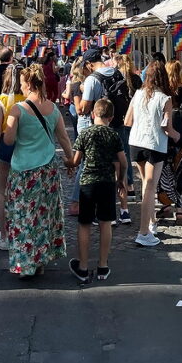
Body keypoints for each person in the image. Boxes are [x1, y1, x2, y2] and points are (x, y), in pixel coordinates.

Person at [2, 66, 76, 277]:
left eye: (22, 83)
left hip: (23, 171)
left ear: (28, 84)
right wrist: (70, 161)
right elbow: (63, 138)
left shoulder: (17, 109)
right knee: (43, 216)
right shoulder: (52, 109)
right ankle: (40, 258)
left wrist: (10, 126)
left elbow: (8, 140)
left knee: (22, 216)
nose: (21, 87)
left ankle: (25, 263)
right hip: (47, 170)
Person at [70, 98, 127, 282]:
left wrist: (67, 164)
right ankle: (103, 266)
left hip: (88, 183)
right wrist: (120, 181)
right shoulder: (113, 135)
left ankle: (83, 267)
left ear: (93, 114)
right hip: (107, 183)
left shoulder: (85, 133)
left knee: (84, 224)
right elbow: (123, 162)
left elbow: (76, 161)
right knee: (105, 223)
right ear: (110, 117)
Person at [125, 60, 179, 247]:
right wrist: (177, 135)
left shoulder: (138, 94)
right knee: (149, 187)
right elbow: (166, 127)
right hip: (154, 144)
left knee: (146, 186)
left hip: (136, 142)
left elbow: (127, 120)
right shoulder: (165, 99)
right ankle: (143, 232)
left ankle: (152, 221)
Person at [157, 60, 182, 225]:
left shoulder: (163, 93)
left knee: (165, 172)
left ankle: (166, 206)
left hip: (166, 138)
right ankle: (180, 212)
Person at [68, 48, 108, 216]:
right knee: (85, 163)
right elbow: (81, 110)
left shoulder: (91, 81)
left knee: (89, 163)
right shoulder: (80, 85)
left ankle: (88, 200)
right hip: (87, 123)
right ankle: (77, 201)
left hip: (93, 122)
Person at [0, 64, 25, 251]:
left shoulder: (1, 100)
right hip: (24, 145)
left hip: (5, 145)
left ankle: (4, 236)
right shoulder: (27, 99)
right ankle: (23, 232)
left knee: (3, 191)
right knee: (24, 191)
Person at [108, 53, 142, 220]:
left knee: (119, 159)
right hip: (134, 122)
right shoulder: (136, 80)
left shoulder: (115, 79)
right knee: (127, 156)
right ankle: (130, 188)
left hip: (119, 122)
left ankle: (123, 189)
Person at [62, 58, 84, 138]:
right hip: (84, 105)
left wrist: (62, 94)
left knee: (76, 131)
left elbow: (67, 95)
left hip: (73, 106)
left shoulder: (70, 78)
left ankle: (76, 148)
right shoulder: (86, 77)